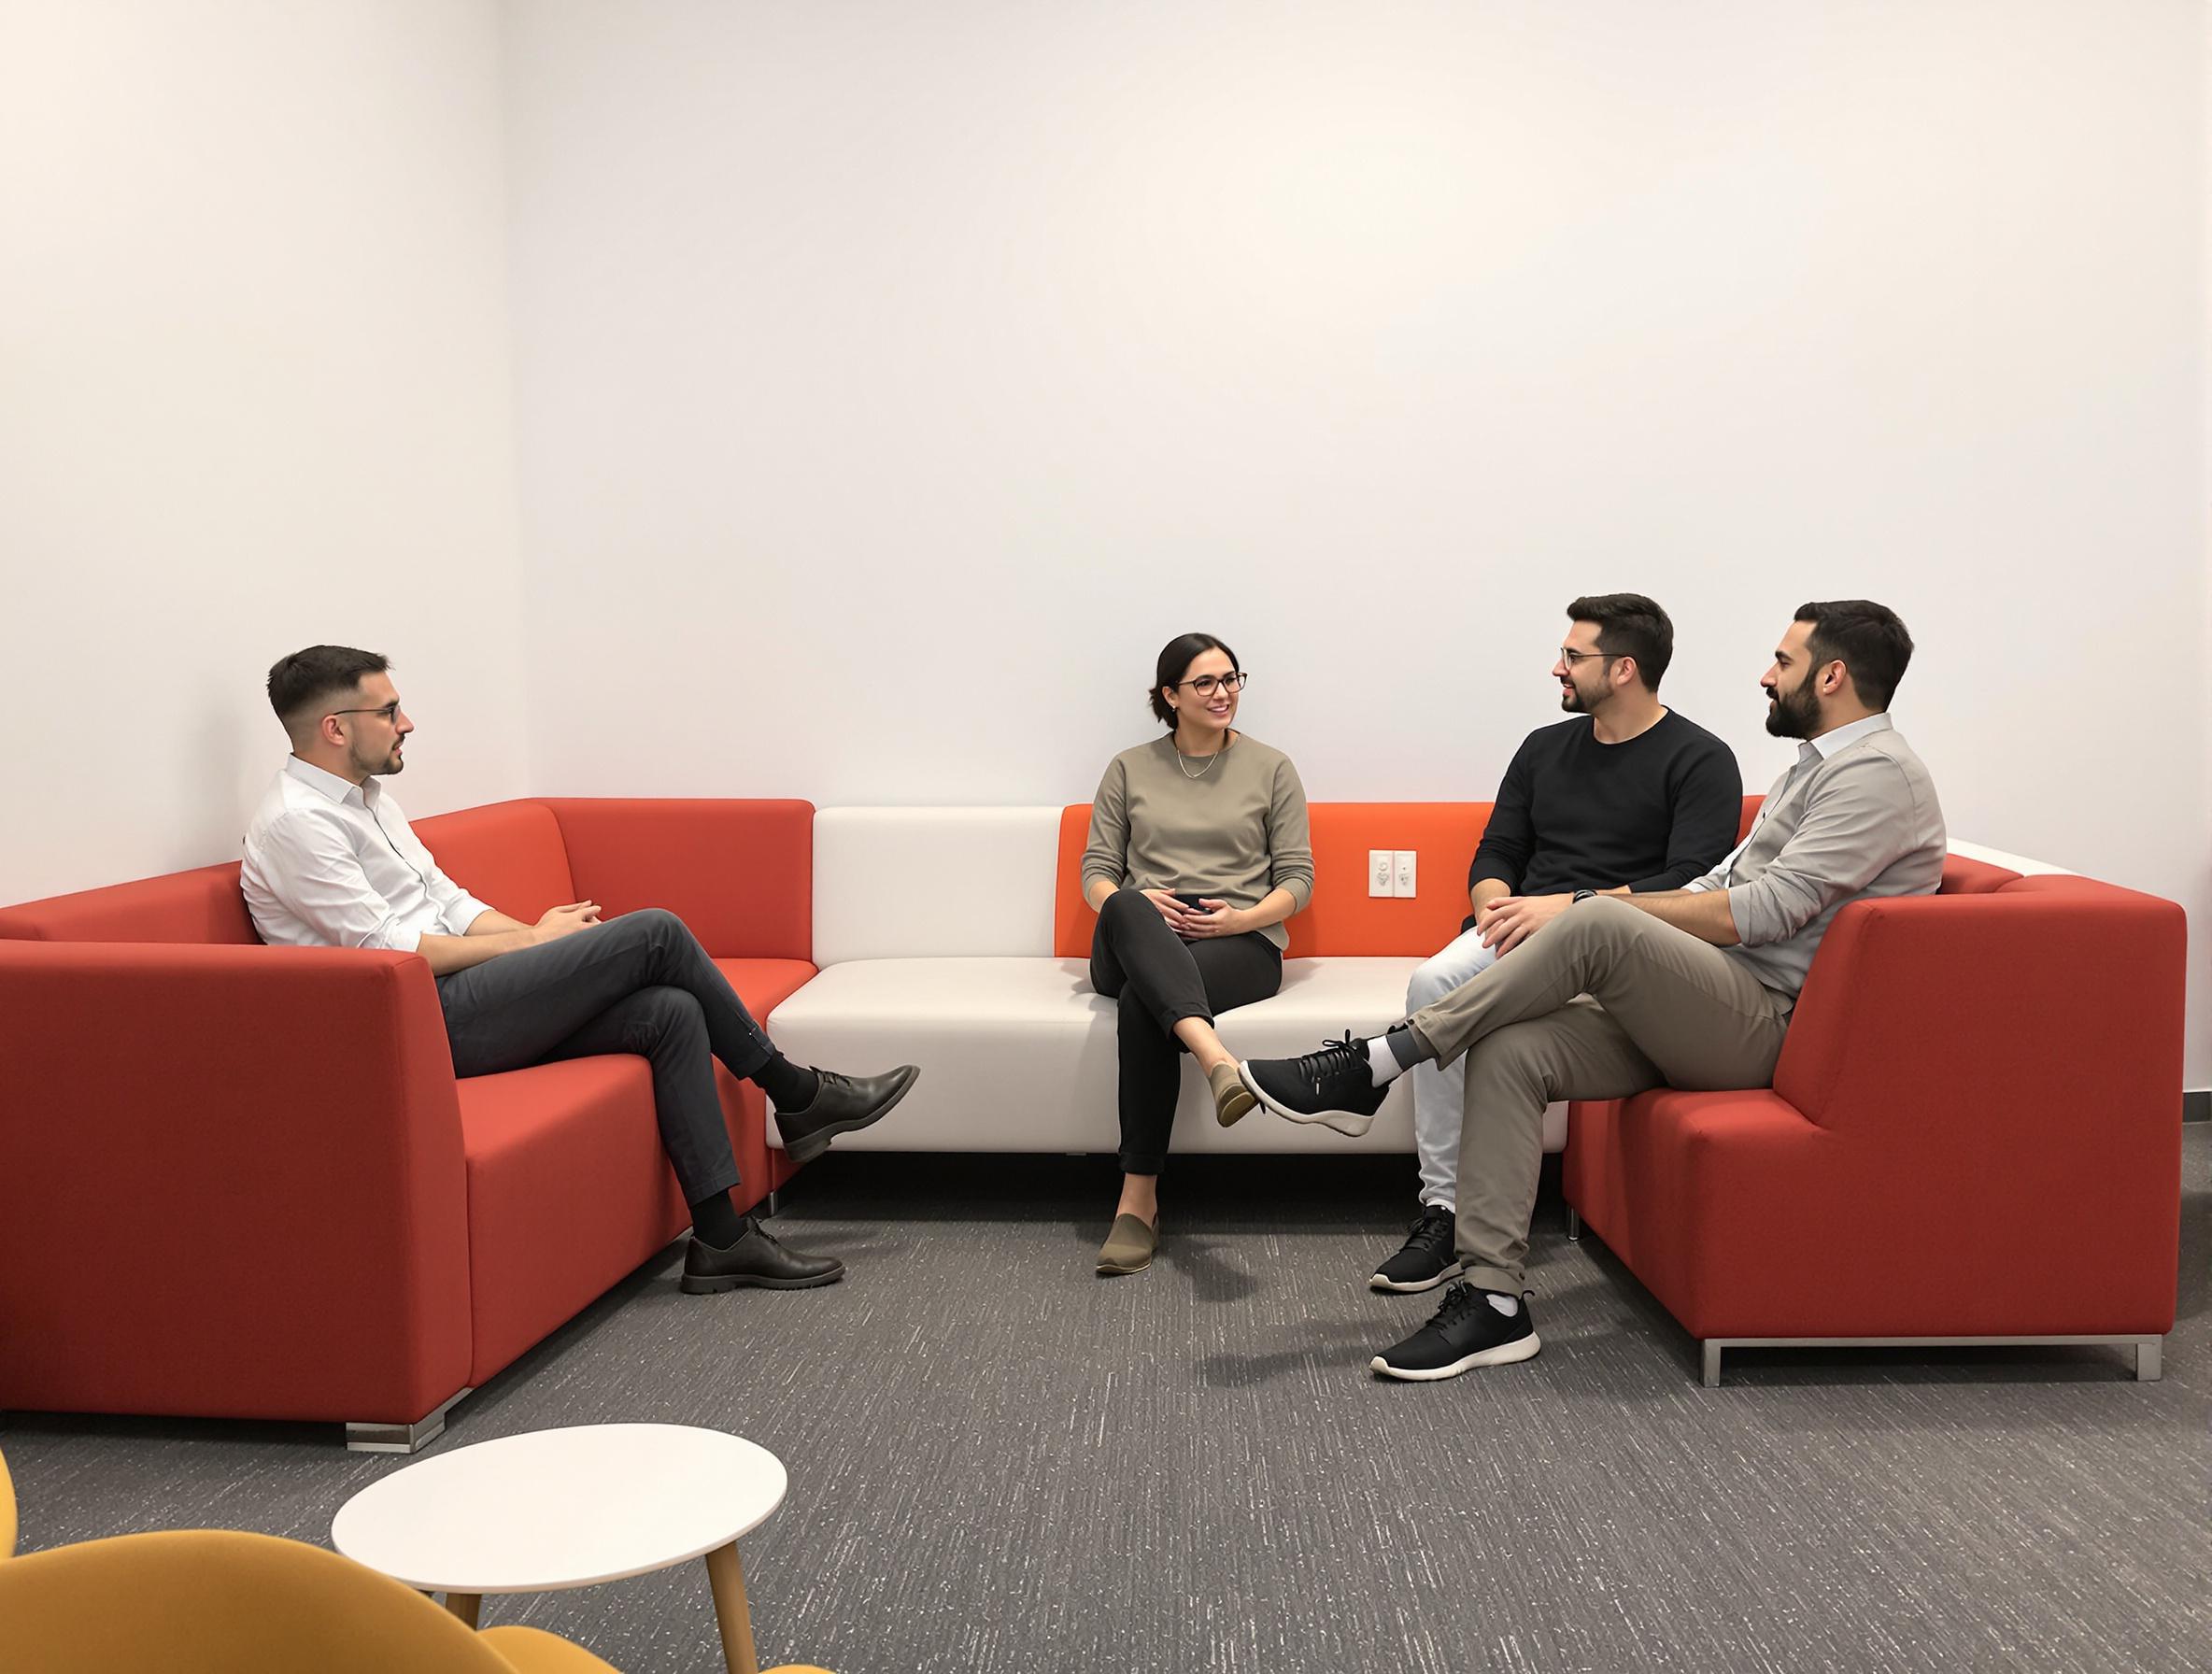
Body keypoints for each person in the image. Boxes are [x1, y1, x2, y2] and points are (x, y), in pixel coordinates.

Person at [1239, 601, 1943, 1380]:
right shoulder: (1815, 767)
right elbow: (1720, 880)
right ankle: (1494, 1301)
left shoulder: (1876, 775)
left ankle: (1375, 1064)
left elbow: (1768, 910)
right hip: (1709, 1004)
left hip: (1764, 1022)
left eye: (1784, 661)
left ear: (1832, 676)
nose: (1766, 676)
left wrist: (1594, 911)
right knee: (1511, 1050)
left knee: (1595, 915)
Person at [239, 645, 918, 1296]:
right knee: (655, 931)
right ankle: (794, 1090)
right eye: (389, 711)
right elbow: (388, 951)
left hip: (461, 999)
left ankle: (722, 1239)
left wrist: (534, 943)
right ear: (335, 728)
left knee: (670, 1012)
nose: (406, 723)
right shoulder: (298, 824)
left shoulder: (367, 800)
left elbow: (452, 904)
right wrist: (535, 941)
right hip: (419, 1026)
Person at [1371, 594, 1740, 1293]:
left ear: (1624, 669)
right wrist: (1495, 910)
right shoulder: (1543, 748)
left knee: (1470, 998)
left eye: (1573, 656)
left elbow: (1689, 883)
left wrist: (1567, 911)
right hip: (1520, 932)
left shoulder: (1701, 759)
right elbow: (1499, 849)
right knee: (1433, 983)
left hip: (1630, 953)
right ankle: (1444, 1210)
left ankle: (1374, 1076)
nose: (1557, 668)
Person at [1081, 632, 1313, 1276]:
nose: (1223, 693)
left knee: (1143, 1001)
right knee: (1127, 903)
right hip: (1135, 934)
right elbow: (1096, 873)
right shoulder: (1129, 767)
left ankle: (1137, 1202)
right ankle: (1216, 1060)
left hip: (1236, 941)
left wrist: (1241, 918)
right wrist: (1139, 903)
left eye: (1231, 678)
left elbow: (1297, 880)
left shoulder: (1272, 767)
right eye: (1205, 682)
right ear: (1170, 695)